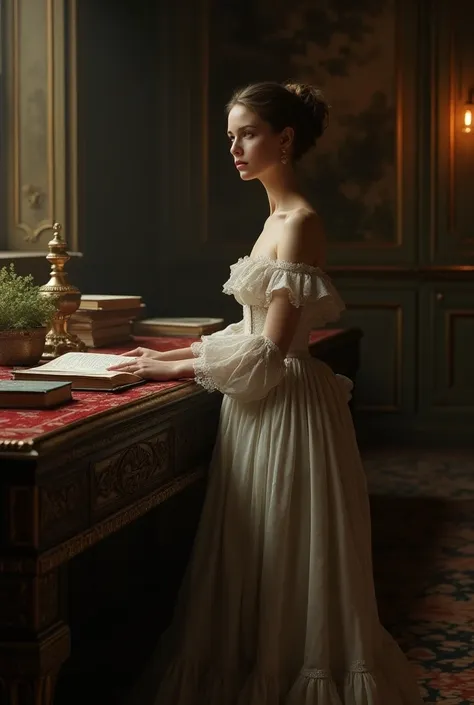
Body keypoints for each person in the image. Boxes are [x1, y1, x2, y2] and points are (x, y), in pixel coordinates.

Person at [109, 81, 424, 704]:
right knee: (256, 551)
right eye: (230, 136)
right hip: (260, 405)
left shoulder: (300, 223)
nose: (235, 147)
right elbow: (249, 330)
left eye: (247, 133)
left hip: (286, 406)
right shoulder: (272, 220)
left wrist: (167, 371)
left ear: (285, 138)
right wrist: (179, 353)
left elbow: (270, 352)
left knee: (287, 548)